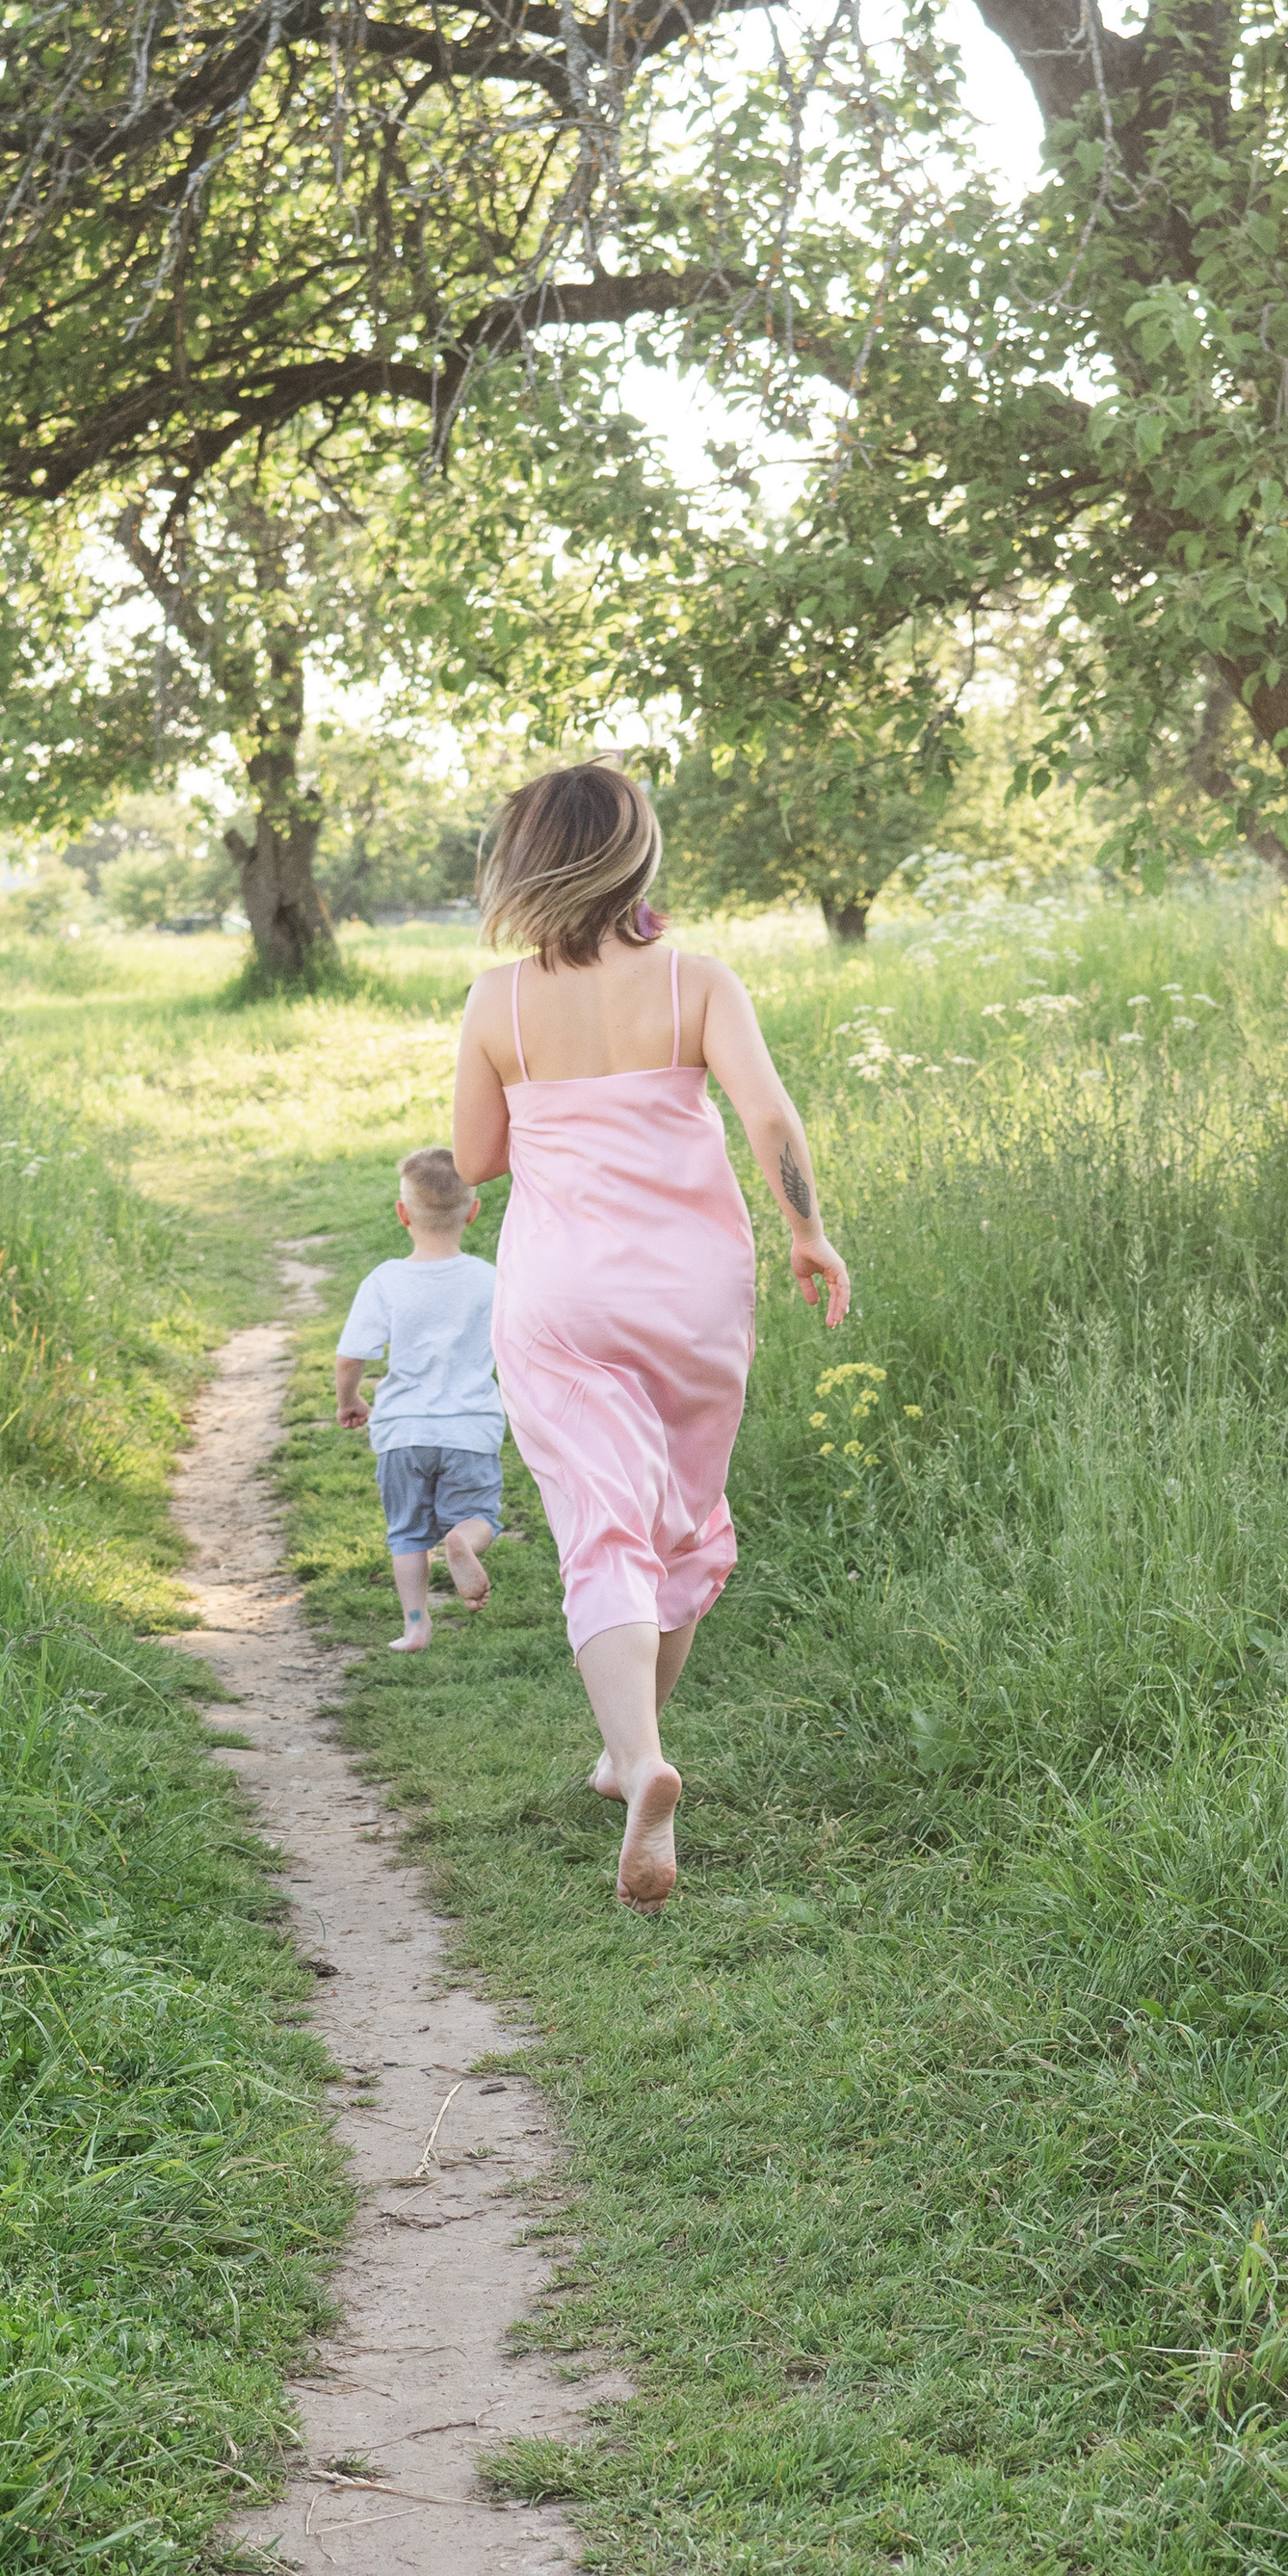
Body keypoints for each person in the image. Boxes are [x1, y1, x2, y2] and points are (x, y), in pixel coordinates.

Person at [452, 761, 851, 1907]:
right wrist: (808, 1232)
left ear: (528, 859)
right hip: (694, 1288)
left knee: (599, 1524)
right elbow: (768, 1113)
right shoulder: (696, 981)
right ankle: (634, 1747)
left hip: (564, 1290)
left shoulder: (499, 1001)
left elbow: (477, 1158)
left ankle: (636, 1759)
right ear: (638, 854)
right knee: (679, 1521)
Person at [333, 1145, 506, 1655]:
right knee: (479, 1515)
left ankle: (415, 1626)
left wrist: (352, 1400)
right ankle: (464, 1542)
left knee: (407, 1533)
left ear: (401, 1213)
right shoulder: (491, 1279)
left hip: (403, 1429)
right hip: (470, 1427)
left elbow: (350, 1357)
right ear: (473, 1212)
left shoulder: (386, 1280)